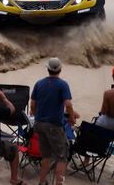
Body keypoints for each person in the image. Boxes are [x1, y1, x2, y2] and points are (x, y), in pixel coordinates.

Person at [30, 57, 78, 185]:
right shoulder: (62, 84)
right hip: (54, 125)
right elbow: (68, 104)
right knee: (61, 156)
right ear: (60, 69)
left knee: (46, 155)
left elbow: (32, 105)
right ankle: (58, 183)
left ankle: (42, 181)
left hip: (39, 124)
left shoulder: (39, 83)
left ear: (48, 69)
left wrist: (37, 117)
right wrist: (72, 118)